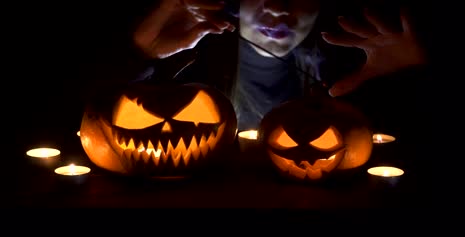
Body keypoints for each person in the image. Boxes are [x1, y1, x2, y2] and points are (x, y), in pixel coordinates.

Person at [85, 0, 429, 131]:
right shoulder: (191, 66)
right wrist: (140, 54)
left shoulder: (350, 76)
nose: (279, 9)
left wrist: (411, 76)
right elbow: (90, 126)